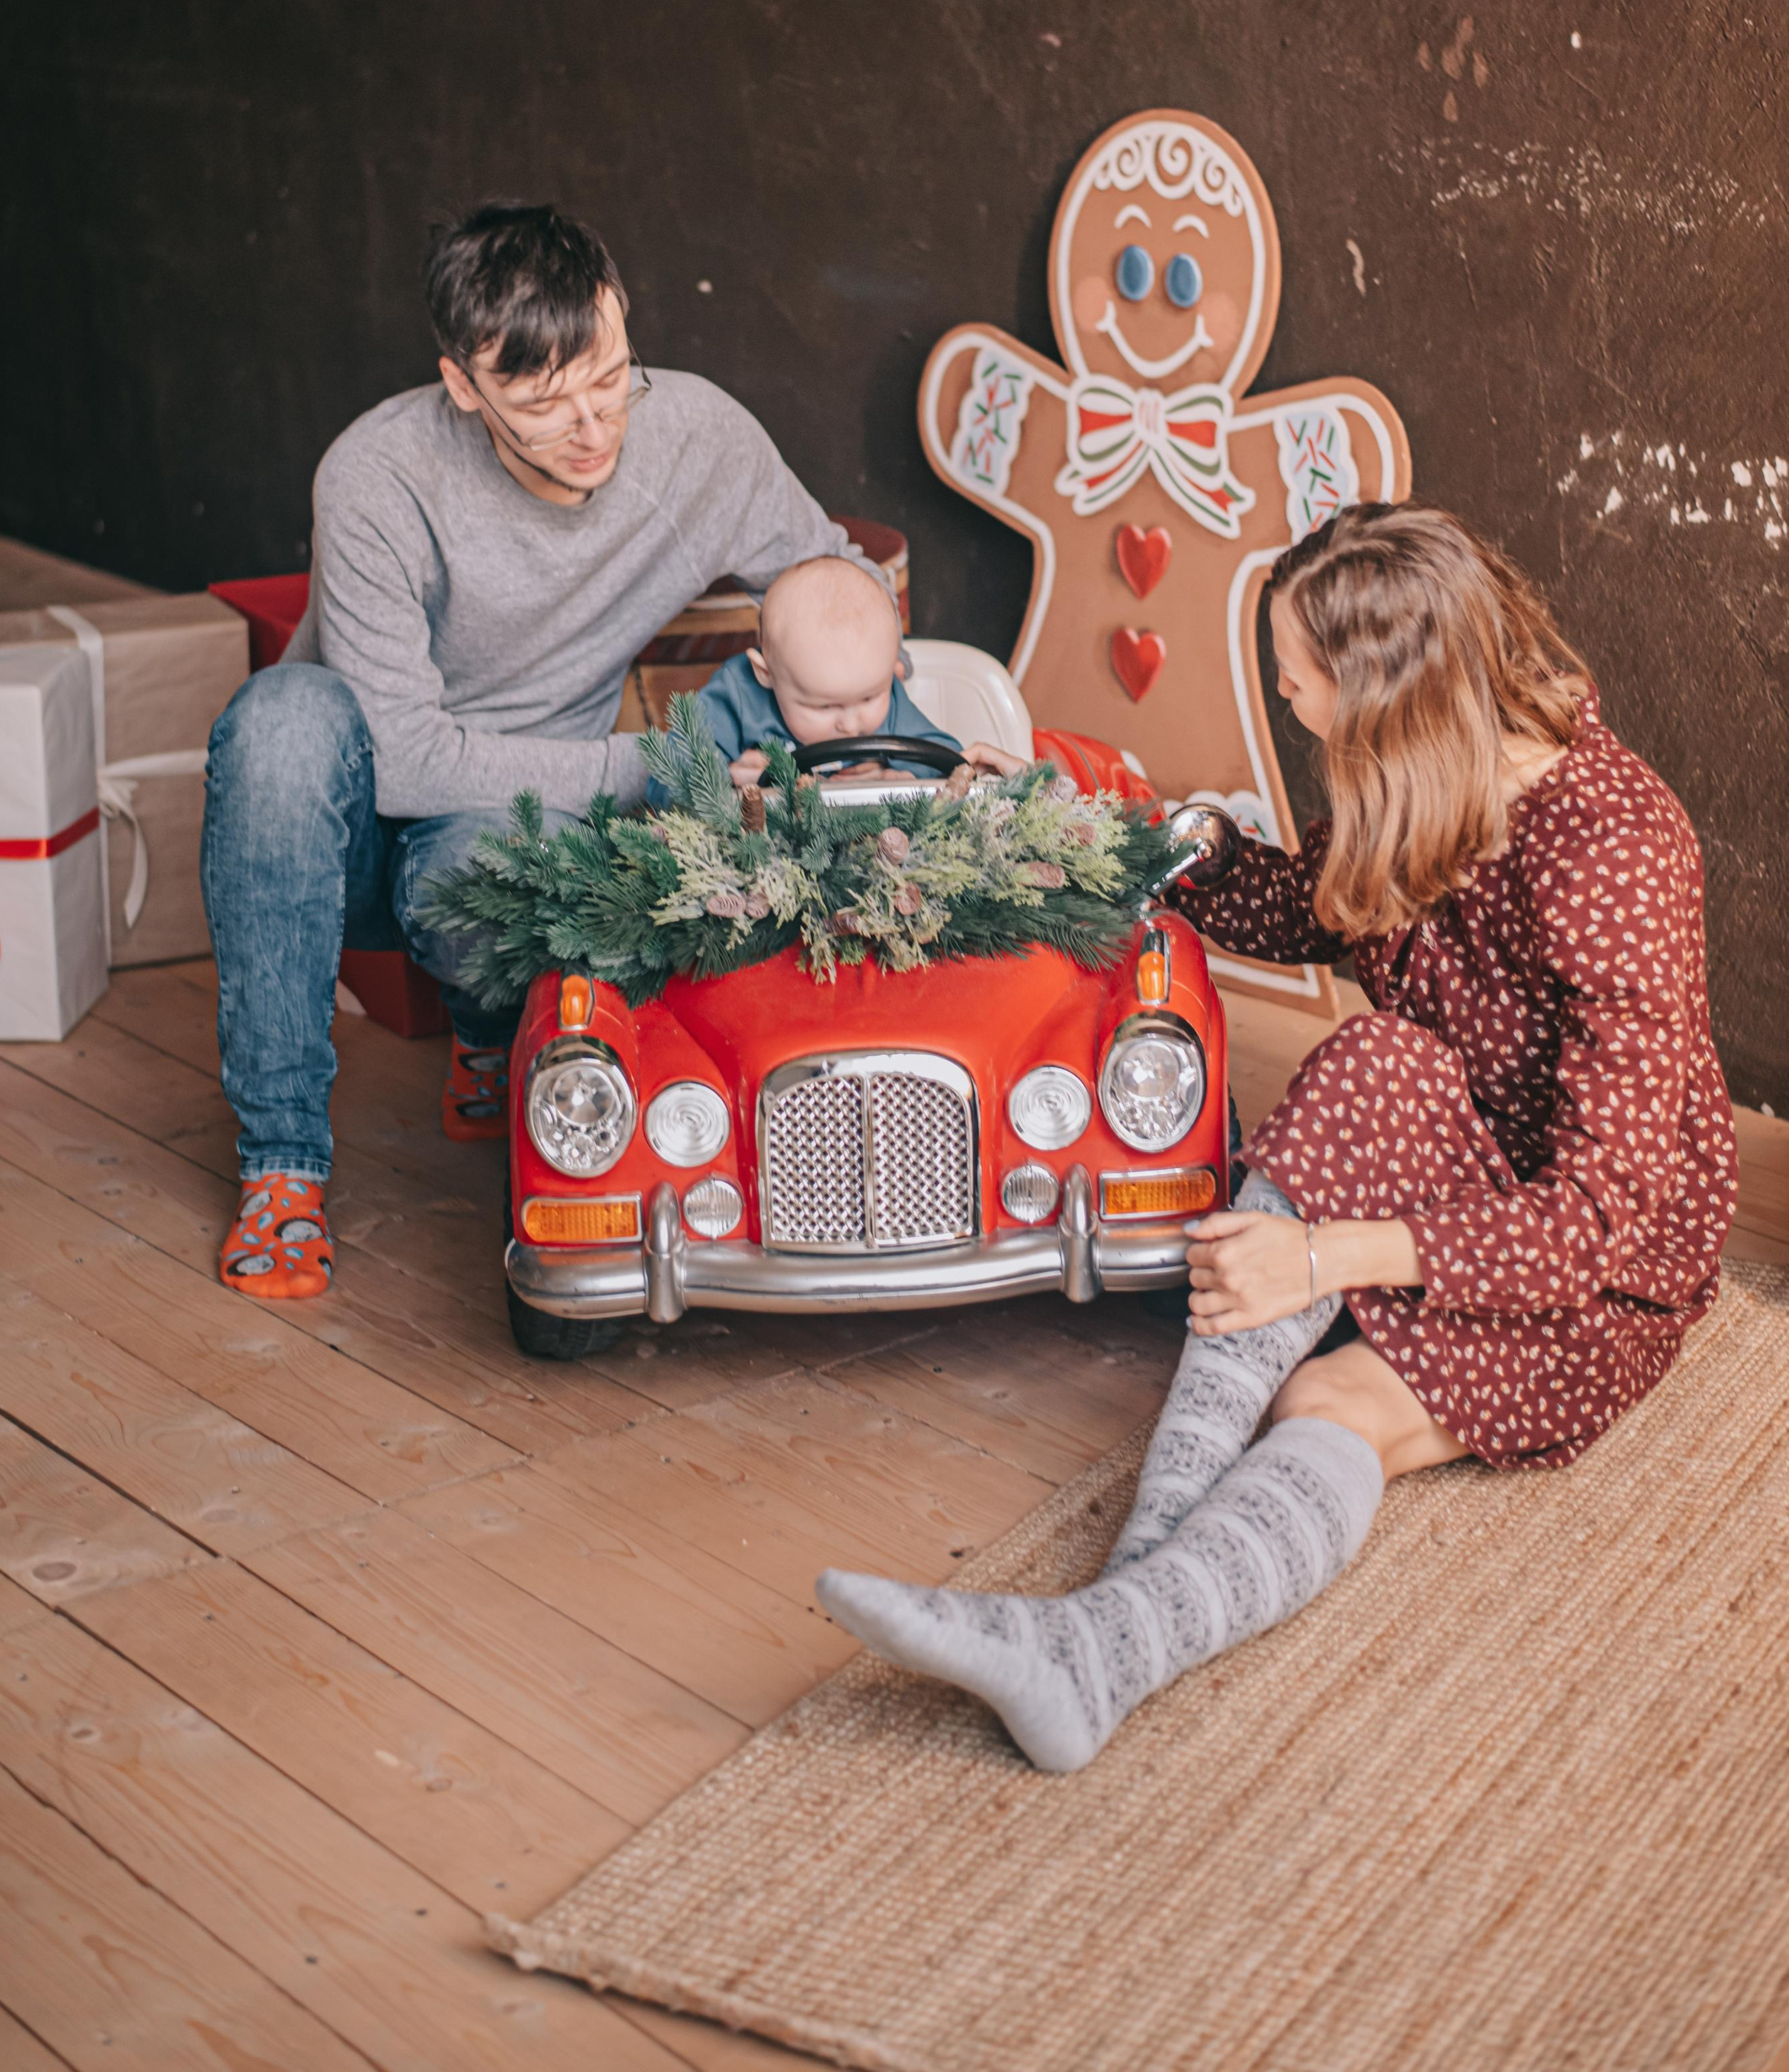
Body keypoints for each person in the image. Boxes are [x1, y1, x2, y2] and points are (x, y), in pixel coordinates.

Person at [817, 502, 1740, 1772]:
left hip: (1595, 1260)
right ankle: (1111, 1618)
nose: (1288, 697)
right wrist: (1093, 818)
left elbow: (1594, 1224)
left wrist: (1321, 1256)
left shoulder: (1613, 856)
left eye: (1300, 680)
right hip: (1450, 1137)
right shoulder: (1430, 778)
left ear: (1390, 697)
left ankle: (1096, 1636)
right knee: (1374, 1056)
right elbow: (1298, 902)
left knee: (1319, 1392)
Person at [201, 203, 887, 1301]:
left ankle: (490, 1028)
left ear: (622, 320)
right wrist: (669, 766)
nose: (591, 425)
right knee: (276, 721)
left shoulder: (699, 436)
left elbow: (845, 584)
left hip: (510, 833)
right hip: (354, 828)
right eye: (540, 400)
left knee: (480, 872)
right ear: (464, 386)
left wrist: (908, 744)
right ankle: (282, 1163)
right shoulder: (377, 474)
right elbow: (409, 760)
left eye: (609, 374)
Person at [681, 553, 1021, 790]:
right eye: (824, 707)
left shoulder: (888, 698)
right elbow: (669, 774)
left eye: (870, 696)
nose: (851, 722)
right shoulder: (736, 694)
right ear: (765, 674)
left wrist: (901, 773)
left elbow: (941, 755)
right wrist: (725, 780)